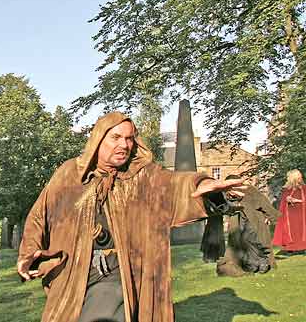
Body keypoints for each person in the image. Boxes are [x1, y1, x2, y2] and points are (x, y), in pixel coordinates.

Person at [17, 112, 244, 322]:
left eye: (129, 138)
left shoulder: (143, 176)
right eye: (116, 137)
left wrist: (206, 185)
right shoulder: (69, 174)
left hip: (118, 271)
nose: (124, 145)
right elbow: (40, 215)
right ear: (98, 139)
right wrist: (28, 254)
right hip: (72, 274)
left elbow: (175, 185)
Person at [212, 175, 280, 277]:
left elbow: (263, 203)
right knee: (243, 243)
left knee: (255, 241)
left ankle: (263, 264)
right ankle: (252, 265)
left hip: (254, 219)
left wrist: (270, 217)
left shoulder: (249, 190)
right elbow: (224, 207)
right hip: (239, 221)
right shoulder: (228, 194)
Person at [272, 169, 306, 254]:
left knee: (301, 229)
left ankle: (303, 246)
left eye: (300, 175)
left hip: (302, 213)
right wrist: (288, 199)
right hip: (290, 214)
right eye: (298, 176)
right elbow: (284, 201)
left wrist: (298, 201)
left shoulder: (304, 188)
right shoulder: (286, 189)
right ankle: (291, 247)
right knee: (292, 230)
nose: (300, 177)